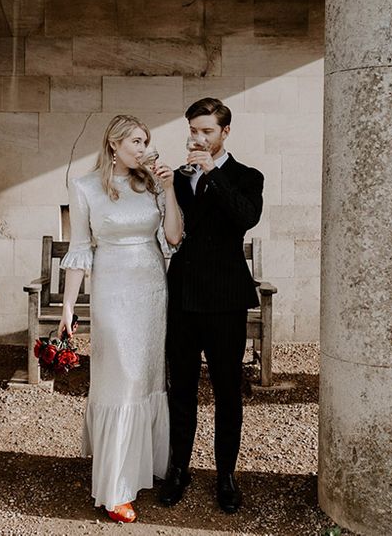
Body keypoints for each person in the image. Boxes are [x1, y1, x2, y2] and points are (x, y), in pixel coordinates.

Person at [57, 114, 183, 524]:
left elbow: (173, 237)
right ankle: (115, 487)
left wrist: (169, 188)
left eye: (145, 142)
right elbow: (79, 251)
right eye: (134, 142)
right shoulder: (85, 187)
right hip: (112, 290)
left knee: (147, 375)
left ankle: (145, 465)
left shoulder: (151, 183)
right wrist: (68, 308)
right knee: (122, 376)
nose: (142, 149)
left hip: (151, 286)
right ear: (113, 144)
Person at [159, 97, 264, 514]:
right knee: (180, 389)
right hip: (183, 297)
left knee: (227, 392)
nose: (197, 138)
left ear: (225, 132)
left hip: (225, 299)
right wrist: (169, 184)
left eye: (206, 131)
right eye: (193, 130)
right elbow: (174, 229)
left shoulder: (247, 176)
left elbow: (245, 217)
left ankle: (225, 475)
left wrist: (210, 172)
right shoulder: (181, 178)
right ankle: (179, 470)